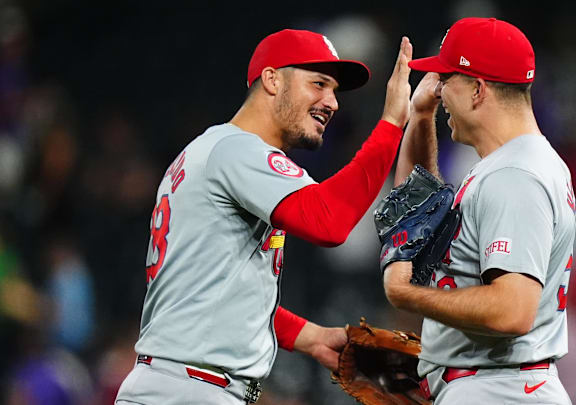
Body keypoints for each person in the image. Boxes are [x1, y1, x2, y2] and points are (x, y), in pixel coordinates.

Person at [115, 29, 413, 405]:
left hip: (179, 384)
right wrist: (391, 123)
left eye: (334, 90)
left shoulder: (211, 151)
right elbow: (329, 221)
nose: (332, 102)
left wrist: (311, 337)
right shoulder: (238, 152)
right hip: (191, 390)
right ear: (272, 79)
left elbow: (213, 296)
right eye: (318, 84)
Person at [382, 18, 575, 404]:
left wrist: (406, 294)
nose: (437, 88)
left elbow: (512, 310)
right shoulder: (511, 164)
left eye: (446, 78)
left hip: (498, 387)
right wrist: (421, 119)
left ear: (477, 89)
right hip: (496, 385)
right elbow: (419, 212)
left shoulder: (515, 175)